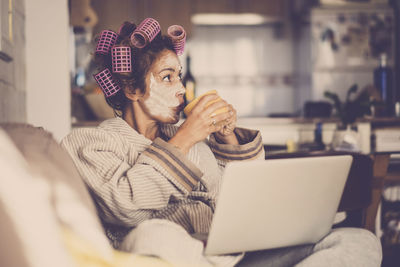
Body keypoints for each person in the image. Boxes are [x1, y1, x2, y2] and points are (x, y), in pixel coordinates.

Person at [61, 19, 382, 266]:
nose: (181, 90)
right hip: (169, 255)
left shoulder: (189, 139)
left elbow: (241, 197)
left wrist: (227, 137)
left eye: (180, 77)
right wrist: (186, 138)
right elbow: (126, 208)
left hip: (231, 254)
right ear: (131, 90)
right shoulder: (89, 142)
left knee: (359, 241)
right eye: (168, 77)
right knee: (154, 235)